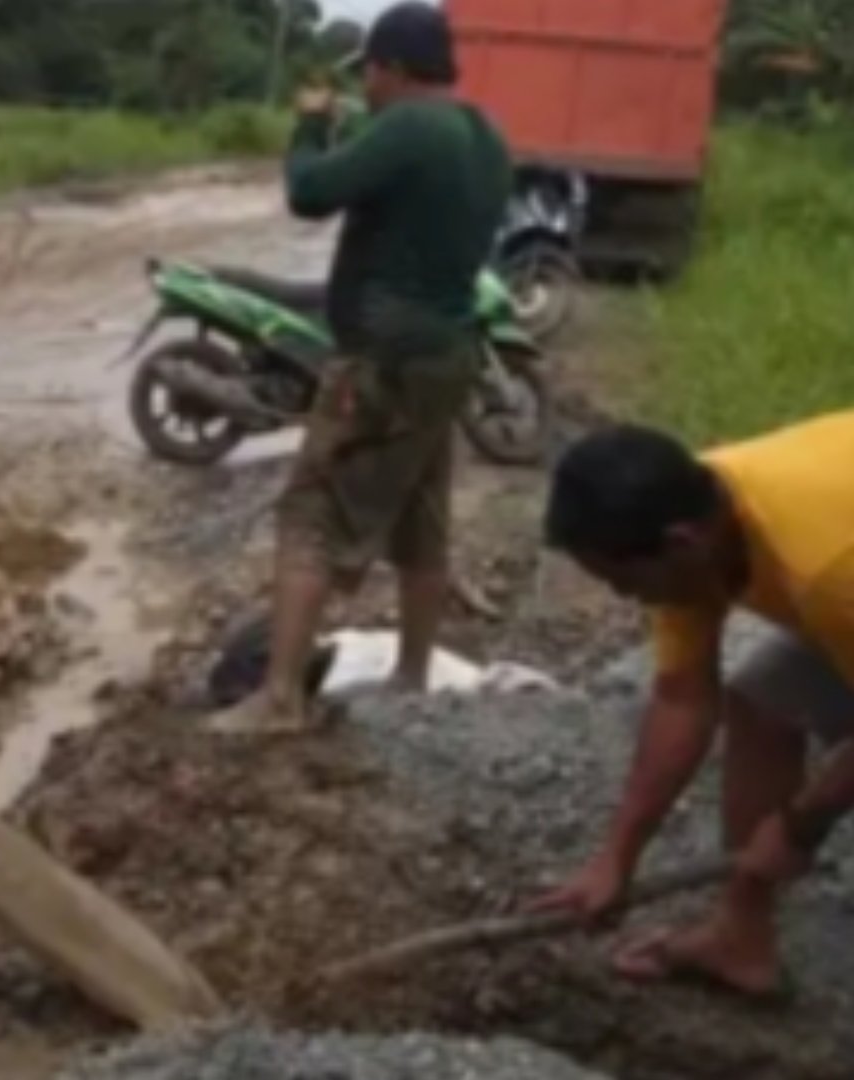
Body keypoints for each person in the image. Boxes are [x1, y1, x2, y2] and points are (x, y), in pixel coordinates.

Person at [205, 1, 513, 734]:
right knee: (421, 520)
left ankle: (278, 698)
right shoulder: (484, 135)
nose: (366, 87)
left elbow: (310, 192)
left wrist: (311, 124)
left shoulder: (408, 126)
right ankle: (412, 678)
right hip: (447, 355)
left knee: (311, 513)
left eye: (370, 73)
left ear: (393, 68)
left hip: (383, 361)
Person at [530, 414, 854, 998]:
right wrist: (617, 857)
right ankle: (740, 937)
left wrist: (802, 825)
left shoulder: (826, 567)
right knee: (764, 699)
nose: (625, 597)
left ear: (681, 542)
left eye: (623, 582)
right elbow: (683, 699)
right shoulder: (700, 524)